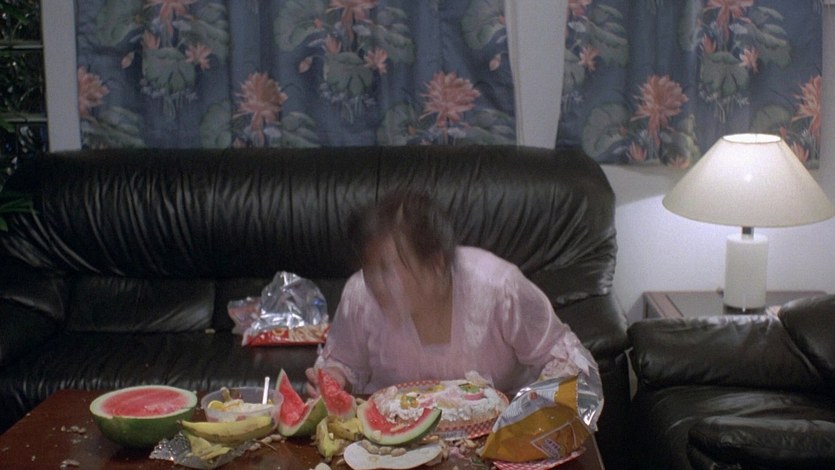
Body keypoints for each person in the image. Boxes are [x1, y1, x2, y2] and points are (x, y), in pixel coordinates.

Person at [305, 190, 598, 397]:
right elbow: (344, 363)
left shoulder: (499, 288)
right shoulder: (359, 294)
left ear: (436, 264)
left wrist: (534, 412)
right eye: (369, 267)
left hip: (498, 439)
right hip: (394, 444)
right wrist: (335, 380)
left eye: (387, 269)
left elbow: (563, 359)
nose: (375, 284)